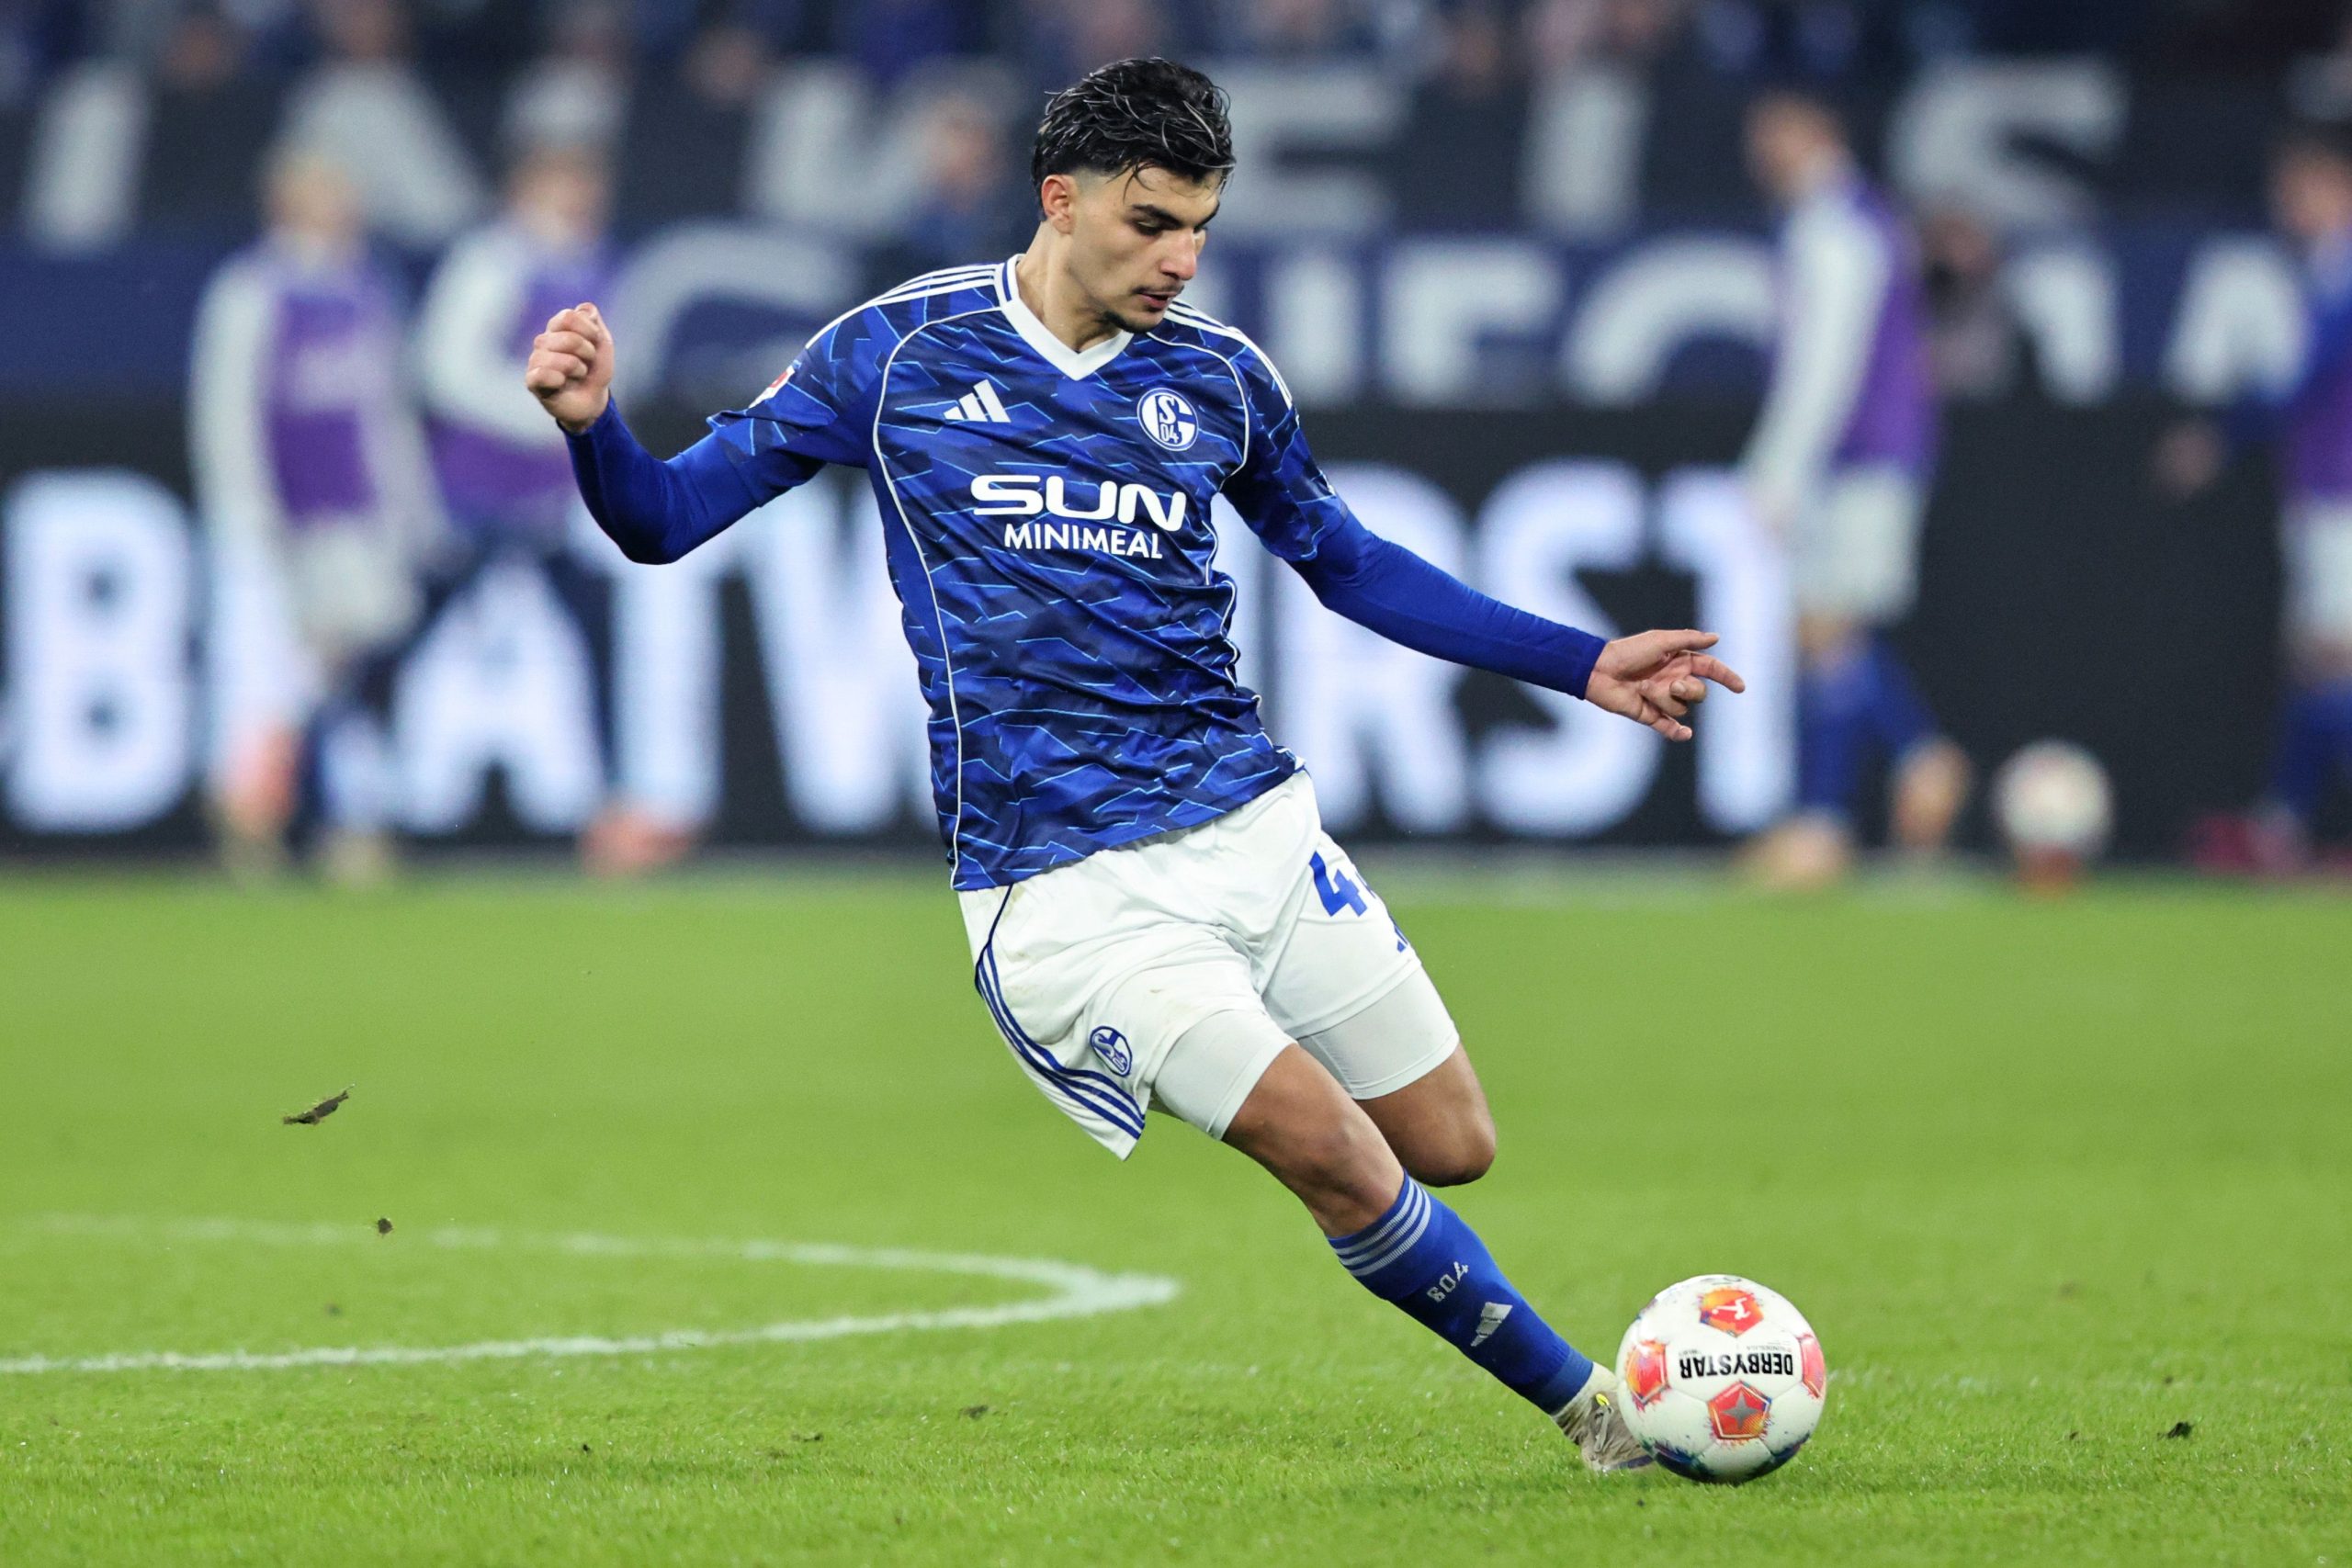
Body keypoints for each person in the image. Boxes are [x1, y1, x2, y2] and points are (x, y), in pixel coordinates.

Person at [526, 59, 1742, 1470]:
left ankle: (1540, 1349)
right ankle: (1600, 1415)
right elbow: (663, 520)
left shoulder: (1220, 377)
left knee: (1450, 1141)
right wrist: (595, 432)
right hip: (1066, 889)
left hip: (1248, 824)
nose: (1180, 259)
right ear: (1062, 198)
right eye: (1152, 222)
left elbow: (1349, 565)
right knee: (1336, 1152)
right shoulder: (899, 353)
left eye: (1201, 228)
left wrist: (1581, 661)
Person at [413, 142, 688, 874]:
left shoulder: (598, 266)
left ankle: (613, 808)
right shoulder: (494, 260)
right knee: (408, 642)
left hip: (557, 499)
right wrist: (542, 413)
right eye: (565, 179)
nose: (580, 195)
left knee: (599, 643)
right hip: (474, 495)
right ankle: (340, 799)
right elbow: (445, 369)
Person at [1736, 85, 1969, 889]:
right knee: (1824, 632)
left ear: (1817, 129)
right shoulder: (1856, 218)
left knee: (1828, 630)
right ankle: (1885, 778)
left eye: (1776, 127)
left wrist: (1779, 468)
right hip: (1870, 451)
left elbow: (1825, 362)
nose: (1761, 147)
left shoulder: (1832, 227)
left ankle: (1841, 809)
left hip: (1859, 456)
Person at [190, 144, 440, 881]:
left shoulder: (366, 289)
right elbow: (228, 413)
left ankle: (351, 821)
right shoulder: (252, 290)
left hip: (352, 519)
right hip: (273, 521)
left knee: (346, 675)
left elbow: (385, 413)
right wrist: (246, 510)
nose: (344, 206)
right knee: (261, 675)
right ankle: (251, 820)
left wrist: (409, 508)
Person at [2162, 124, 2352, 873]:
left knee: (2332, 655)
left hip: (2342, 489)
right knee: (2314, 661)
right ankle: (2283, 822)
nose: (2288, 206)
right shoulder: (2321, 269)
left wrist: (2221, 437)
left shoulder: (2342, 271)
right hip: (2320, 485)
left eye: (2301, 190)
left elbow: (2305, 376)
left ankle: (2284, 821)